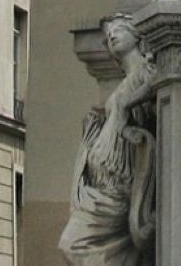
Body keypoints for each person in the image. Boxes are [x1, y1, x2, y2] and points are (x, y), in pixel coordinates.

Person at [59, 16, 156, 265]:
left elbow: (156, 85)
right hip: (102, 182)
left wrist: (125, 106)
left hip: (118, 183)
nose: (112, 35)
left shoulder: (145, 70)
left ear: (137, 36)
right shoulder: (126, 80)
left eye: (119, 29)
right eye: (109, 33)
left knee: (71, 244)